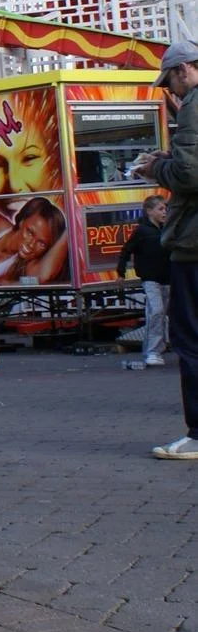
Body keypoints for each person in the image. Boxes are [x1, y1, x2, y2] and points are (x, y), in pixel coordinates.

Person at [134, 39, 198, 458]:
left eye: (171, 83)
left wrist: (155, 167)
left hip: (194, 245)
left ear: (183, 70)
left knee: (190, 339)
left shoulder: (193, 103)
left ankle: (196, 434)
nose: (173, 94)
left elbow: (190, 174)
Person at [117, 194, 171, 368]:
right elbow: (126, 250)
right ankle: (152, 351)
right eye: (160, 209)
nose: (164, 212)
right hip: (151, 279)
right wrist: (121, 272)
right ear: (149, 211)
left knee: (164, 314)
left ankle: (160, 348)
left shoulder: (166, 229)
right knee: (156, 311)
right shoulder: (141, 231)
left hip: (168, 279)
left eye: (165, 208)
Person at [0, 196, 68, 285]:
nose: (31, 245)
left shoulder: (27, 264)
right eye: (30, 232)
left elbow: (40, 279)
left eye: (42, 243)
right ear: (21, 221)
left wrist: (4, 283)